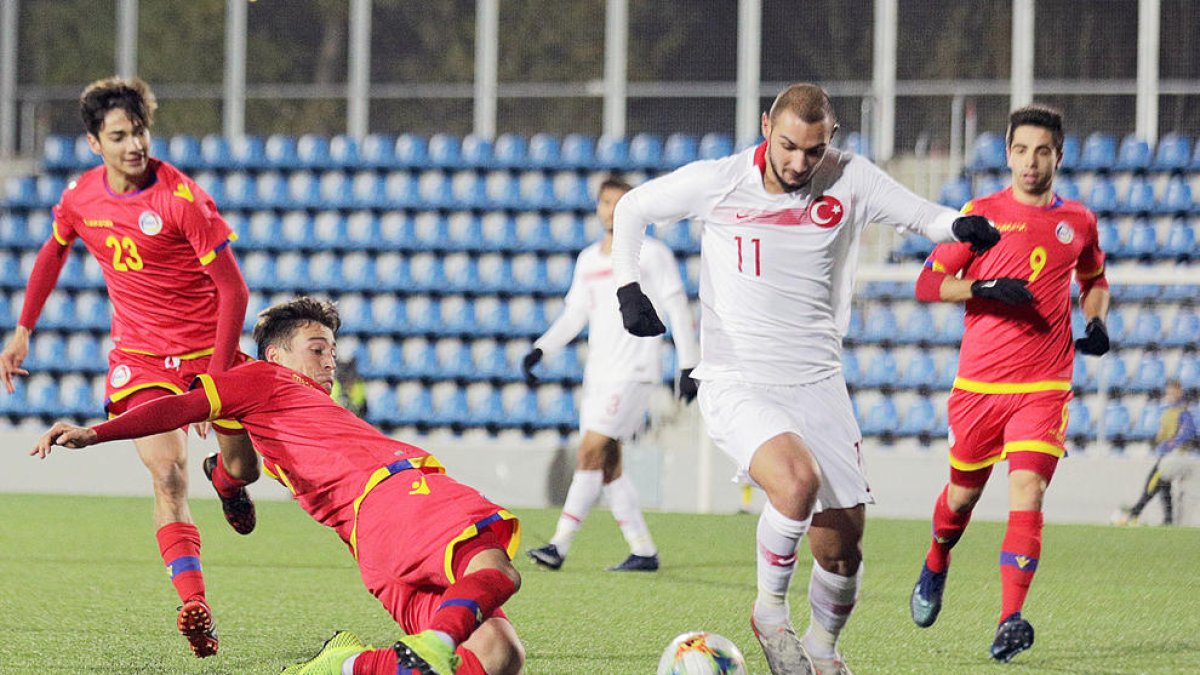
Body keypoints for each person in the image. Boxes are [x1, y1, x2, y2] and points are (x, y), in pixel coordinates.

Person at [608, 82, 1003, 675]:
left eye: (812, 151)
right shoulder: (719, 180)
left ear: (831, 141)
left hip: (818, 381)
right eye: (788, 145)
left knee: (842, 551)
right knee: (795, 483)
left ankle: (820, 650)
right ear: (767, 125)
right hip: (737, 376)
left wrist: (959, 227)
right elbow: (632, 207)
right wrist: (627, 287)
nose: (797, 162)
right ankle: (769, 613)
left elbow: (922, 214)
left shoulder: (851, 178)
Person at [33, 297, 524, 675]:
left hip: (374, 541)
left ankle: (344, 666)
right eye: (317, 350)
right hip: (396, 495)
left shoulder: (296, 408)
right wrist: (96, 432)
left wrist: (229, 472)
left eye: (333, 351)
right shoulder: (263, 378)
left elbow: (243, 455)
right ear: (275, 355)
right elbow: (178, 406)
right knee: (495, 566)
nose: (331, 362)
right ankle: (434, 647)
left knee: (500, 655)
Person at [0, 77, 258, 658]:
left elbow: (233, 293)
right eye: (119, 135)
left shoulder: (182, 198)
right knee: (167, 476)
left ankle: (229, 479)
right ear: (95, 143)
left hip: (205, 353)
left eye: (139, 131)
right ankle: (196, 604)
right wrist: (22, 331)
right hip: (139, 359)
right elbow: (53, 250)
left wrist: (214, 384)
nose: (134, 144)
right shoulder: (80, 197)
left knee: (245, 468)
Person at [907, 104, 1111, 663]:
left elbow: (1095, 279)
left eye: (1041, 151)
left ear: (1058, 156)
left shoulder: (1081, 223)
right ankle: (936, 560)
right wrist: (986, 287)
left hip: (1045, 385)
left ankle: (1009, 618)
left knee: (1029, 492)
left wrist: (1095, 320)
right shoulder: (980, 214)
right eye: (1021, 150)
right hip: (979, 388)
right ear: (1007, 153)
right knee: (962, 499)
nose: (1030, 161)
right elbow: (928, 284)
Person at [523, 176, 700, 573]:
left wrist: (688, 364)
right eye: (605, 202)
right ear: (598, 207)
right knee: (608, 463)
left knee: (589, 451)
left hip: (634, 372)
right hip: (598, 375)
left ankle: (559, 545)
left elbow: (676, 307)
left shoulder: (652, 254)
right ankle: (643, 550)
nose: (611, 210)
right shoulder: (588, 259)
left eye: (620, 203)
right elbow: (574, 315)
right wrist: (542, 348)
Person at [1117, 379, 1197, 526]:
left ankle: (1136, 511)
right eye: (1169, 391)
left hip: (1176, 456)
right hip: (1166, 455)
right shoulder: (1169, 411)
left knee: (1153, 480)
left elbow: (1188, 432)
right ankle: (1168, 520)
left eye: (1173, 391)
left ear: (1179, 392)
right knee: (1163, 486)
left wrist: (1171, 444)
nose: (1170, 394)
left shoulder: (1183, 412)